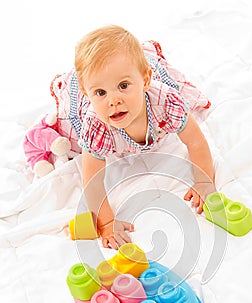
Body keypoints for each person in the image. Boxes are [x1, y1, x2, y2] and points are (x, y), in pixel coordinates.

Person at [53, 25, 216, 249]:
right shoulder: (97, 123)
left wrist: (204, 181)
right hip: (93, 112)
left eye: (123, 86)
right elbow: (93, 179)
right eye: (100, 92)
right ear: (88, 94)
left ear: (146, 81)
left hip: (150, 92)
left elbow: (195, 140)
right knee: (67, 130)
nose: (113, 101)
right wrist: (107, 222)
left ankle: (134, 71)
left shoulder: (164, 102)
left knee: (135, 64)